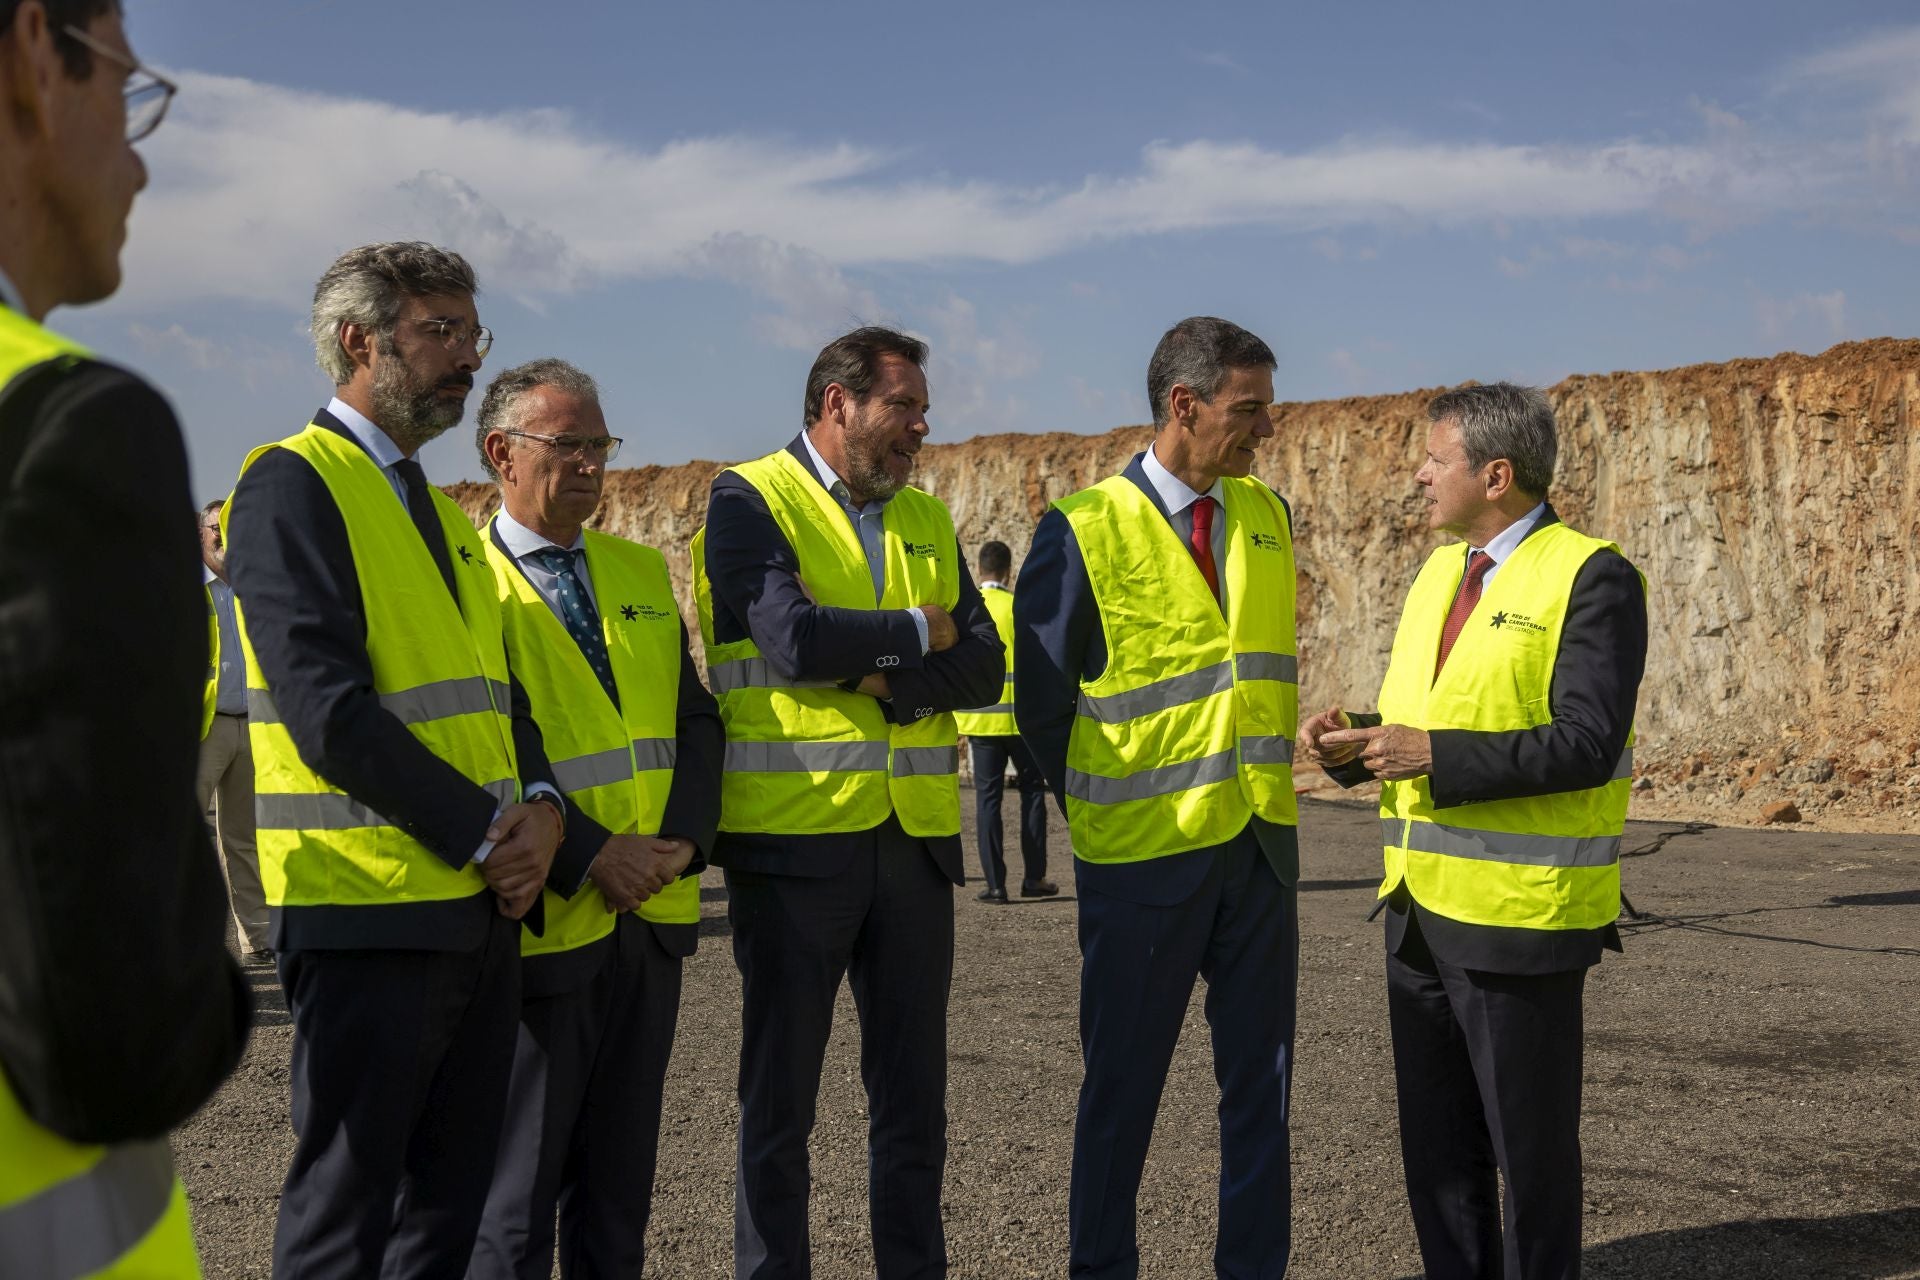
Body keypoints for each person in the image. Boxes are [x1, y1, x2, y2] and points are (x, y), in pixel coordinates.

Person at [224, 242, 570, 1279]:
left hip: (476, 913)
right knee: (347, 1213)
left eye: (474, 333)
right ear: (356, 341)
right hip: (367, 910)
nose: (467, 356)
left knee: (447, 1212)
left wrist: (544, 809)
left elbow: (501, 702)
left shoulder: (445, 517)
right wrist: (488, 836)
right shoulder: (290, 482)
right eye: (440, 331)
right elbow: (327, 712)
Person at [0, 1, 246, 1274]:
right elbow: (119, 1031)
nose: (141, 157)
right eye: (132, 89)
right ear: (39, 53)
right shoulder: (63, 428)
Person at [1302, 382, 1647, 1280]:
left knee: (1529, 1160)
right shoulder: (1437, 575)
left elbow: (1583, 742)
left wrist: (1433, 755)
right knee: (1439, 1153)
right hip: (1416, 911)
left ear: (1496, 474)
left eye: (1434, 459)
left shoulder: (1591, 575)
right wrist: (1356, 740)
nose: (1418, 475)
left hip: (1519, 921)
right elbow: (1430, 719)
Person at [692, 326, 1002, 1278]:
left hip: (911, 850)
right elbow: (791, 639)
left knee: (913, 1107)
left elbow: (985, 666)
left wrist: (886, 680)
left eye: (920, 406)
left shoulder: (925, 519)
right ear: (839, 404)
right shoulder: (748, 500)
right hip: (793, 848)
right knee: (778, 1105)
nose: (922, 424)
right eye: (903, 406)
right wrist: (918, 630)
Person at [1015, 316, 1301, 1279]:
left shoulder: (1267, 512)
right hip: (1140, 861)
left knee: (1260, 1094)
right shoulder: (1081, 529)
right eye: (1250, 408)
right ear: (1185, 404)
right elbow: (1044, 710)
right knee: (1122, 1095)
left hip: (1259, 851)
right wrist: (1104, 811)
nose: (1268, 427)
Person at [465, 359, 723, 1279]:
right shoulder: (467, 584)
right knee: (516, 1203)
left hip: (650, 920)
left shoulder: (638, 566)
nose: (588, 464)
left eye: (599, 445)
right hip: (547, 928)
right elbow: (498, 741)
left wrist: (684, 847)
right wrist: (589, 856)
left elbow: (694, 720)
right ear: (501, 452)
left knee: (620, 1199)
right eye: (565, 444)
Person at [952, 539, 1054, 903]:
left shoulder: (968, 608)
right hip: (1021, 721)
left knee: (988, 800)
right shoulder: (1018, 607)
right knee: (1033, 795)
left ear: (979, 569)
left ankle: (996, 885)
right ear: (1009, 570)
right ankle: (1034, 879)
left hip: (982, 723)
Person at [197, 497, 270, 964]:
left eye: (227, 525)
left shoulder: (258, 591)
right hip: (205, 732)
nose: (221, 534)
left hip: (253, 727)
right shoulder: (187, 593)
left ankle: (258, 941)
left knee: (242, 839)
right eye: (212, 528)